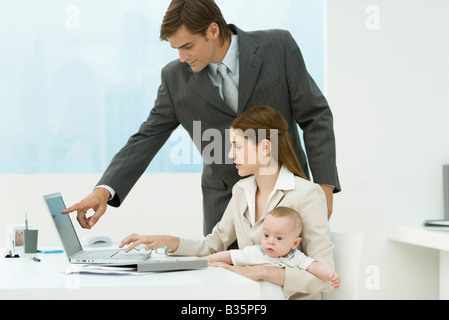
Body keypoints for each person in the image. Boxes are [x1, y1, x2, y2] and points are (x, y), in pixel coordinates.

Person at [62, 0, 340, 238]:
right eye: (176, 50)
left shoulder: (278, 47)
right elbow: (146, 137)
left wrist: (323, 187)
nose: (182, 58)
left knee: (292, 281)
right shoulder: (174, 78)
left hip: (288, 196)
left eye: (187, 46)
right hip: (224, 207)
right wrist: (103, 191)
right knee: (225, 288)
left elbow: (315, 115)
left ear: (213, 30)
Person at [119, 105, 335, 300]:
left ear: (265, 148)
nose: (230, 154)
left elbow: (324, 278)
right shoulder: (241, 190)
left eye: (237, 146)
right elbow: (214, 245)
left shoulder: (306, 194)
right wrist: (166, 240)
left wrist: (260, 271)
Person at [201, 206, 340, 290]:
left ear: (295, 243)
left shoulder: (295, 257)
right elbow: (230, 255)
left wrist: (330, 275)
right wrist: (207, 259)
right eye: (266, 235)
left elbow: (313, 267)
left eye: (279, 238)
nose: (270, 242)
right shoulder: (256, 252)